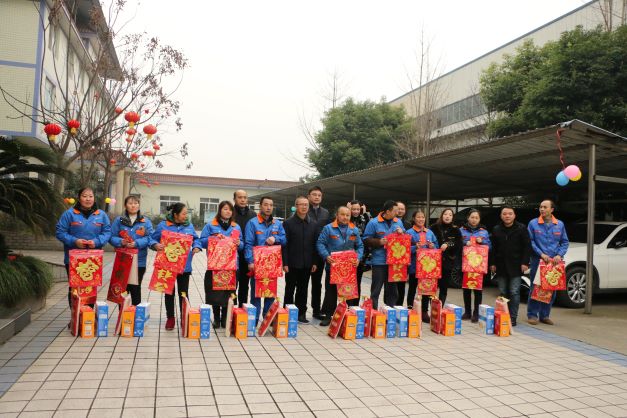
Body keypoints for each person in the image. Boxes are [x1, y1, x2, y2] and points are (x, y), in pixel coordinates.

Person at [56, 187, 111, 307]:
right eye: (84, 196)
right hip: (73, 258)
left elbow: (107, 232)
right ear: (79, 198)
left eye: (90, 196)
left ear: (94, 198)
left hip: (93, 259)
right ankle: (75, 314)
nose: (88, 199)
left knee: (90, 287)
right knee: (74, 288)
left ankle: (88, 315)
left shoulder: (101, 215)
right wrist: (75, 241)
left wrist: (96, 242)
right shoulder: (69, 214)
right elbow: (60, 232)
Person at [152, 203, 201, 331]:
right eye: (184, 213)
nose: (186, 216)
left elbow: (196, 239)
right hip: (167, 265)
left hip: (184, 266)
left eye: (187, 213)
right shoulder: (163, 225)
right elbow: (152, 239)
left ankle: (184, 317)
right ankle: (170, 318)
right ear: (175, 214)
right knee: (169, 292)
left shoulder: (189, 226)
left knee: (183, 293)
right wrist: (155, 245)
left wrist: (196, 246)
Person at [317, 206, 364, 326]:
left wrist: (358, 258)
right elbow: (320, 243)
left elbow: (360, 246)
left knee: (348, 292)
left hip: (349, 268)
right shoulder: (328, 228)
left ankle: (347, 315)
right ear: (337, 215)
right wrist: (326, 256)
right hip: (333, 266)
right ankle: (328, 316)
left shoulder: (354, 230)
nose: (345, 217)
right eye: (342, 215)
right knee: (331, 292)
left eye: (347, 215)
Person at [199, 201, 244, 329]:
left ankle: (225, 318)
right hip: (216, 265)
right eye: (225, 209)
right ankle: (216, 319)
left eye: (230, 210)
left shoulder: (236, 227)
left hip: (232, 266)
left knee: (229, 292)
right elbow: (201, 241)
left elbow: (242, 245)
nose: (228, 211)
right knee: (215, 292)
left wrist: (239, 243)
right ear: (220, 211)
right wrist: (213, 239)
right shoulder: (210, 226)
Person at [526, 200, 569, 325]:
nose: (542, 209)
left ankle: (545, 315)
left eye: (545, 207)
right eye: (540, 207)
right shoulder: (533, 223)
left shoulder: (559, 224)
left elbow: (565, 242)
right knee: (536, 288)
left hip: (554, 262)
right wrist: (541, 254)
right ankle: (532, 315)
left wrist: (559, 255)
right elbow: (530, 241)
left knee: (551, 288)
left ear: (552, 209)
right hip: (538, 260)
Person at [245, 196, 286, 325]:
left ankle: (267, 319)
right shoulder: (252, 223)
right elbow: (248, 243)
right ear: (260, 206)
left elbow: (284, 239)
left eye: (271, 205)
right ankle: (254, 320)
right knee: (256, 293)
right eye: (266, 205)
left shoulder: (277, 224)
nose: (268, 207)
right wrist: (250, 261)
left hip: (272, 264)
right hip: (257, 264)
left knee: (270, 293)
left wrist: (276, 239)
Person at [109, 195, 156, 306]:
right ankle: (123, 314)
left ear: (139, 205)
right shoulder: (119, 220)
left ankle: (135, 313)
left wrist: (137, 243)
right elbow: (111, 236)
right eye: (130, 203)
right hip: (122, 260)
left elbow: (150, 237)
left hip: (139, 261)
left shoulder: (145, 221)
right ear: (125, 205)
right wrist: (121, 241)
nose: (133, 205)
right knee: (123, 289)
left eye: (135, 203)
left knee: (135, 288)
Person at [490, 206, 531, 327]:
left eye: (510, 214)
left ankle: (513, 318)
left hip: (516, 265)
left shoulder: (521, 228)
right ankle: (504, 315)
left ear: (514, 215)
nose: (507, 216)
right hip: (501, 265)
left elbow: (527, 247)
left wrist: (525, 262)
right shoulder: (496, 229)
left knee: (514, 291)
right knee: (503, 291)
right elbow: (493, 248)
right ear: (501, 216)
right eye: (504, 214)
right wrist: (492, 263)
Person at [363, 200, 406, 310]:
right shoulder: (373, 223)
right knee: (376, 290)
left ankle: (389, 312)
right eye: (395, 211)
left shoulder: (398, 222)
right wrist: (379, 242)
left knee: (392, 290)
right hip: (379, 261)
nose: (397, 213)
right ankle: (373, 312)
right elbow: (366, 239)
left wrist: (402, 233)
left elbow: (404, 239)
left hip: (394, 262)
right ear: (388, 211)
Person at [282, 196, 318, 323]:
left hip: (307, 263)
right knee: (289, 289)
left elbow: (315, 245)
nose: (304, 207)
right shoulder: (288, 223)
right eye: (301, 204)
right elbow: (284, 245)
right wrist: (285, 263)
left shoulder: (313, 224)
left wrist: (314, 262)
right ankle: (286, 312)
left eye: (306, 205)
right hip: (292, 263)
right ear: (296, 206)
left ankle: (301, 313)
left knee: (303, 289)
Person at [429, 208, 462, 318]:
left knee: (443, 287)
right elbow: (428, 239)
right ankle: (432, 308)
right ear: (442, 215)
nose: (447, 216)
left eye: (450, 215)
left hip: (447, 262)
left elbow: (458, 244)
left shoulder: (456, 230)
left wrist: (448, 244)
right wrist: (431, 245)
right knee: (432, 287)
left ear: (452, 217)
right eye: (445, 214)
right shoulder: (433, 227)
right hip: (433, 262)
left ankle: (440, 309)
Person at [459, 209, 491, 322]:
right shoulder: (461, 230)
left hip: (478, 265)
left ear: (479, 219)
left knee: (478, 289)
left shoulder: (484, 232)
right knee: (466, 288)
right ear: (468, 218)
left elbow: (490, 246)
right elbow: (457, 244)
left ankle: (476, 312)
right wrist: (464, 243)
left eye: (476, 218)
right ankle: (467, 312)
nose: (474, 220)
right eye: (472, 217)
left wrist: (482, 242)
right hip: (466, 264)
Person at [404, 210, 438, 310]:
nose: (421, 219)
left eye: (423, 217)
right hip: (414, 266)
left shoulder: (429, 232)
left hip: (427, 267)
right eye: (418, 217)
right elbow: (404, 249)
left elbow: (437, 246)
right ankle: (410, 309)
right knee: (412, 288)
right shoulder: (409, 232)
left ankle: (424, 311)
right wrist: (415, 247)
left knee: (426, 288)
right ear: (414, 219)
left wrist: (433, 246)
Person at [307, 186, 330, 320]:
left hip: (320, 253)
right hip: (305, 252)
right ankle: (299, 310)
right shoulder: (304, 210)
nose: (316, 197)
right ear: (309, 196)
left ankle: (316, 310)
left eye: (319, 195)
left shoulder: (325, 213)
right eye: (314, 194)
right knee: (302, 284)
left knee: (317, 284)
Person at [233, 189, 256, 306]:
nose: (242, 200)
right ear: (234, 199)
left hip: (247, 256)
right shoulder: (230, 213)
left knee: (244, 285)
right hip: (233, 256)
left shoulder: (253, 215)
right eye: (240, 197)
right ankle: (231, 310)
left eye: (245, 197)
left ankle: (242, 309)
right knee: (232, 285)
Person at [347, 200, 370, 306]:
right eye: (353, 209)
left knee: (357, 282)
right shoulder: (346, 218)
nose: (356, 211)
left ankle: (355, 306)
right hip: (347, 255)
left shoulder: (363, 219)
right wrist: (347, 211)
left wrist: (365, 213)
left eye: (358, 209)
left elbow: (370, 226)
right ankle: (347, 305)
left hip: (360, 256)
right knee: (348, 282)